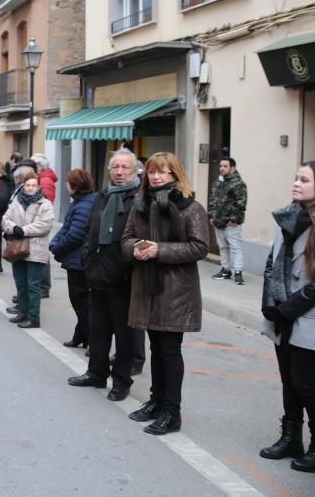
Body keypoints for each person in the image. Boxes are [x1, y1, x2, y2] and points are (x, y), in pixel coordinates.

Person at [121, 152, 208, 435]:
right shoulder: (140, 204)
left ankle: (172, 411)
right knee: (155, 347)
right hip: (147, 285)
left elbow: (199, 247)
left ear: (175, 174)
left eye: (163, 172)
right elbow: (126, 238)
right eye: (152, 171)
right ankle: (156, 402)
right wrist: (135, 247)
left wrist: (161, 249)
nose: (156, 177)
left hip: (176, 288)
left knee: (169, 350)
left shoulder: (191, 207)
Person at [259, 161, 315, 472]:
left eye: (304, 179)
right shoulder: (287, 217)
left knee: (304, 381)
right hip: (282, 313)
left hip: (311, 315)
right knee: (288, 380)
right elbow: (272, 263)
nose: (296, 183)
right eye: (296, 177)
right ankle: (290, 437)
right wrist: (271, 306)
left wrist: (287, 309)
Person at [68, 150, 143, 401]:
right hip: (98, 274)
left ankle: (121, 381)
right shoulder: (104, 195)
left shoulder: (140, 199)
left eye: (125, 168)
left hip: (124, 278)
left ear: (134, 172)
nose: (120, 172)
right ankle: (96, 373)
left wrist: (126, 267)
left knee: (124, 336)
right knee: (98, 329)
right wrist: (88, 260)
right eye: (116, 167)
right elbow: (91, 229)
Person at [50, 169, 97, 350]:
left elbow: (75, 235)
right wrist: (55, 243)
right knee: (82, 302)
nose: (66, 186)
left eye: (69, 183)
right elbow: (66, 228)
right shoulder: (81, 202)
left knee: (81, 303)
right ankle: (81, 336)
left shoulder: (84, 205)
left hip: (80, 261)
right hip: (80, 260)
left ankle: (92, 341)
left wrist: (58, 248)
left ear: (75, 186)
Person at [2, 170, 55, 329]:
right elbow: (5, 220)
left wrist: (23, 230)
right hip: (17, 248)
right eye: (28, 185)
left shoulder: (45, 204)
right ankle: (23, 312)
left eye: (34, 185)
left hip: (36, 249)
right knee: (21, 283)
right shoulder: (16, 201)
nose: (31, 188)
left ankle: (34, 317)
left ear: (38, 187)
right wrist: (13, 228)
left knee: (33, 285)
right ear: (23, 186)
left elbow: (45, 225)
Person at [209, 157, 248, 285]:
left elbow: (241, 203)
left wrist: (234, 219)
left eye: (225, 166)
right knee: (223, 247)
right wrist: (211, 216)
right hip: (218, 221)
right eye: (221, 166)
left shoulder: (238, 183)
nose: (221, 168)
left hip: (231, 223)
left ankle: (238, 273)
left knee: (236, 247)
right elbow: (212, 200)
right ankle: (225, 270)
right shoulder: (218, 182)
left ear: (232, 168)